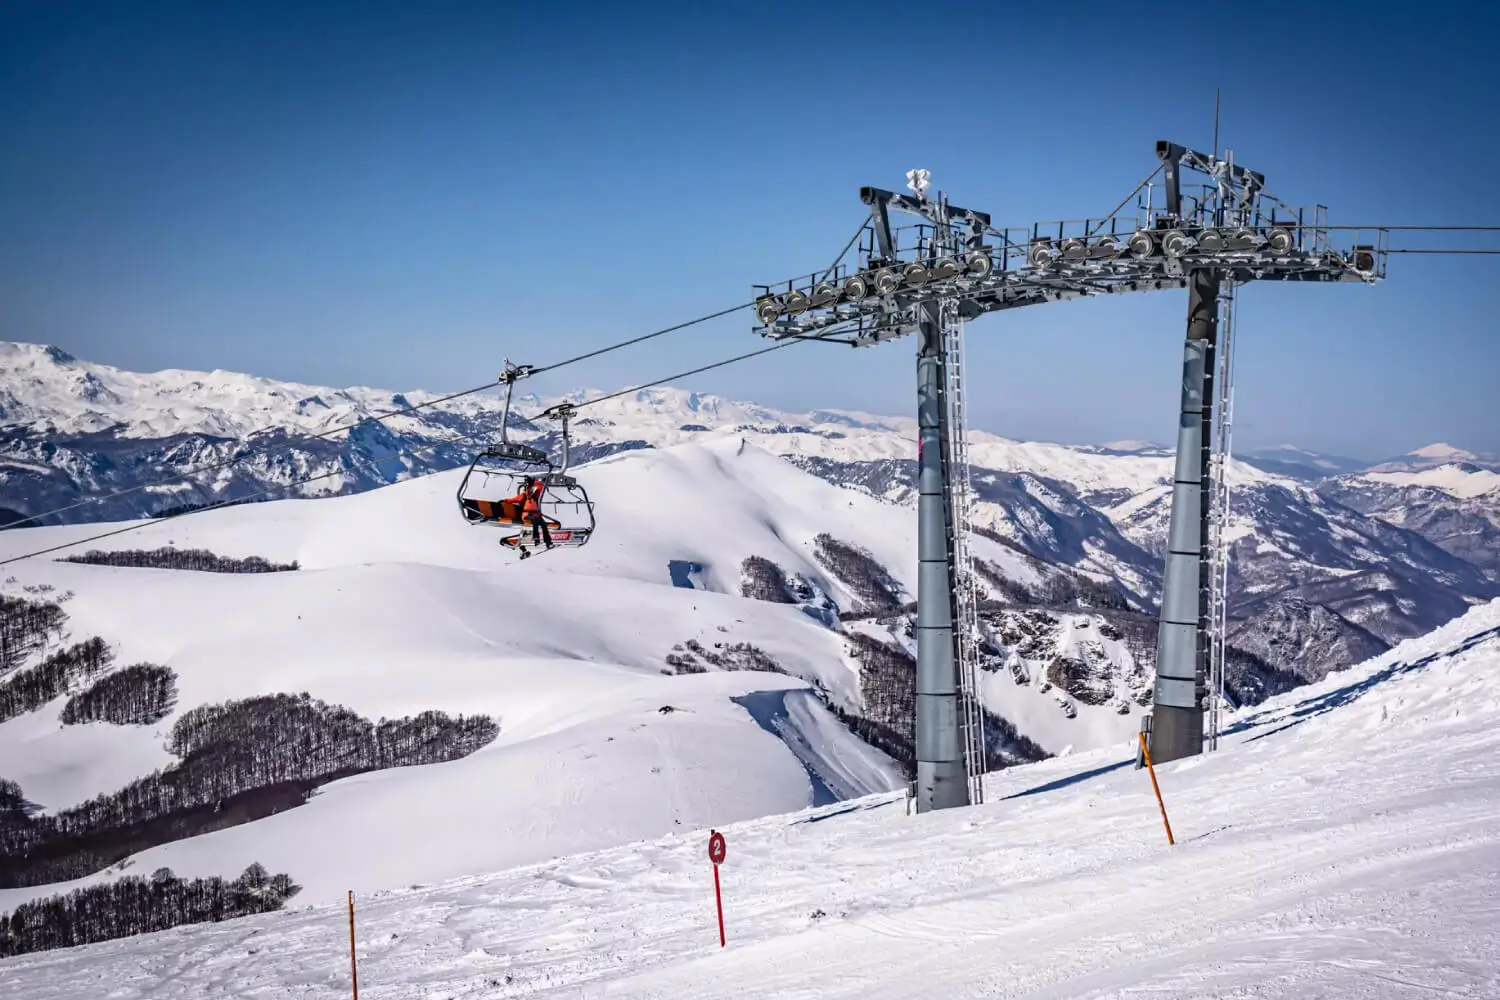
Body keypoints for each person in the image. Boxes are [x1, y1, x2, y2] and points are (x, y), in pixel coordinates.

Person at [505, 476, 553, 552]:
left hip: (536, 515)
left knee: (543, 524)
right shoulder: (524, 495)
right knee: (535, 520)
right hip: (526, 515)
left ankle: (548, 542)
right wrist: (505, 500)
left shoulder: (536, 495)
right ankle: (536, 538)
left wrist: (534, 482)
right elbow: (515, 499)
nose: (530, 492)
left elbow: (540, 487)